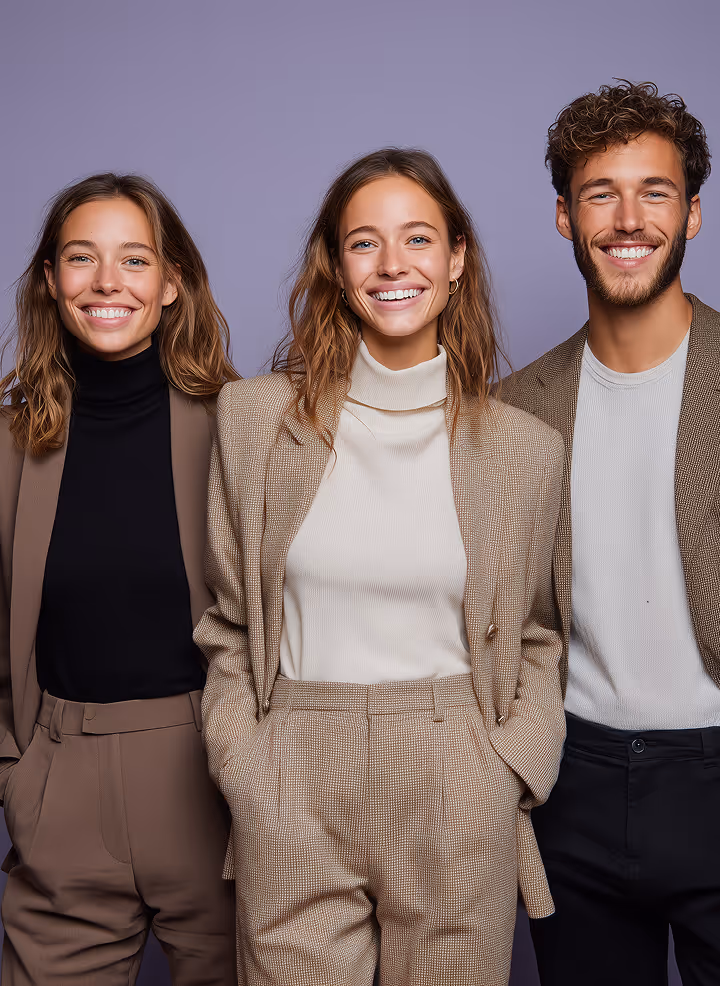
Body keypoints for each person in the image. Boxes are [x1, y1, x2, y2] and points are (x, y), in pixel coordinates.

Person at [194, 147, 565, 986]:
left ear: (457, 259)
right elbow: (228, 624)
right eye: (364, 243)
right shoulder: (254, 421)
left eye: (418, 240)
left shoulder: (525, 451)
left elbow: (538, 637)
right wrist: (244, 765)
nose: (393, 265)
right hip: (291, 766)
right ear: (334, 263)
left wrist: (505, 771)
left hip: (456, 773)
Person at [501, 81, 720, 986]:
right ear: (564, 216)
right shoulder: (513, 411)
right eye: (601, 193)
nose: (629, 219)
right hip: (573, 783)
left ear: (694, 214)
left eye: (655, 191)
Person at [0, 173, 238, 985]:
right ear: (49, 281)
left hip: (214, 775)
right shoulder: (6, 446)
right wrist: (17, 773)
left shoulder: (244, 428)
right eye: (81, 259)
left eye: (135, 259)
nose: (108, 282)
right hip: (58, 777)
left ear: (172, 283)